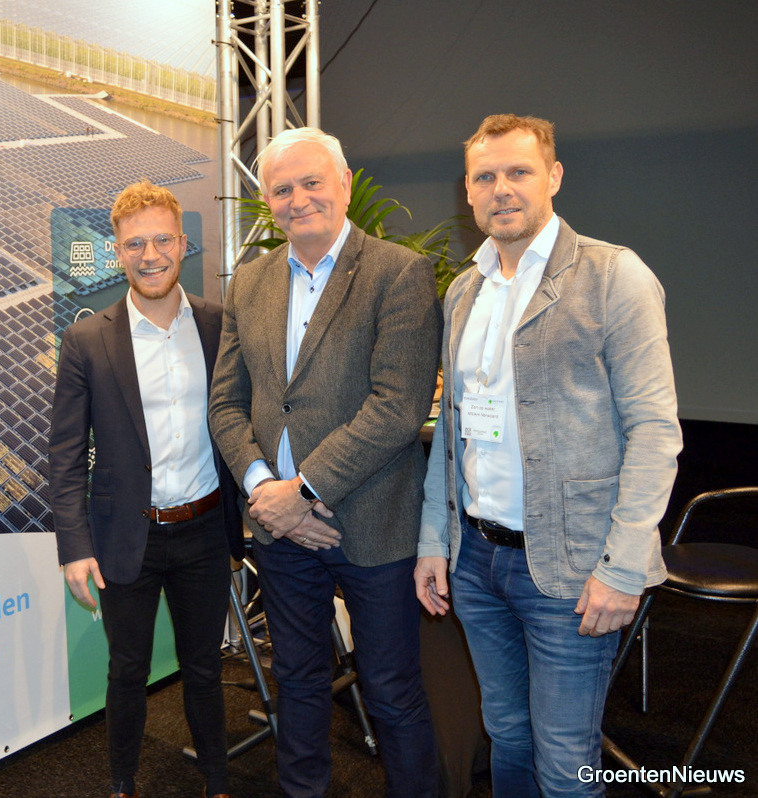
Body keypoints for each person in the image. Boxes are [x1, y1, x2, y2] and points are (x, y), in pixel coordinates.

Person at [414, 114, 682, 796]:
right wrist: (434, 541)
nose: (501, 189)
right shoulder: (464, 291)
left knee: (565, 764)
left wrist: (624, 567)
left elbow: (655, 431)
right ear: (467, 191)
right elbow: (452, 432)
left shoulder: (613, 275)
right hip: (477, 562)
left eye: (519, 171)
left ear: (554, 177)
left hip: (570, 567)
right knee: (506, 734)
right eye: (485, 176)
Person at [209, 127, 442, 798]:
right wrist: (267, 492)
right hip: (280, 529)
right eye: (282, 189)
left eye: (312, 182)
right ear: (267, 202)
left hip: (372, 526)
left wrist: (303, 491)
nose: (299, 198)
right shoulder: (250, 281)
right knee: (299, 682)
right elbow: (227, 403)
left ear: (343, 183)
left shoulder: (398, 273)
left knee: (391, 689)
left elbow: (397, 407)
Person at [49, 180, 244, 798]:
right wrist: (74, 546)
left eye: (162, 240)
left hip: (205, 530)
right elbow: (66, 453)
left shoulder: (219, 325)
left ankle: (217, 780)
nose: (150, 254)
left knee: (205, 667)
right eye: (135, 244)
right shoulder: (87, 340)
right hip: (125, 535)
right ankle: (122, 784)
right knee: (127, 670)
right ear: (117, 252)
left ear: (183, 244)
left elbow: (241, 419)